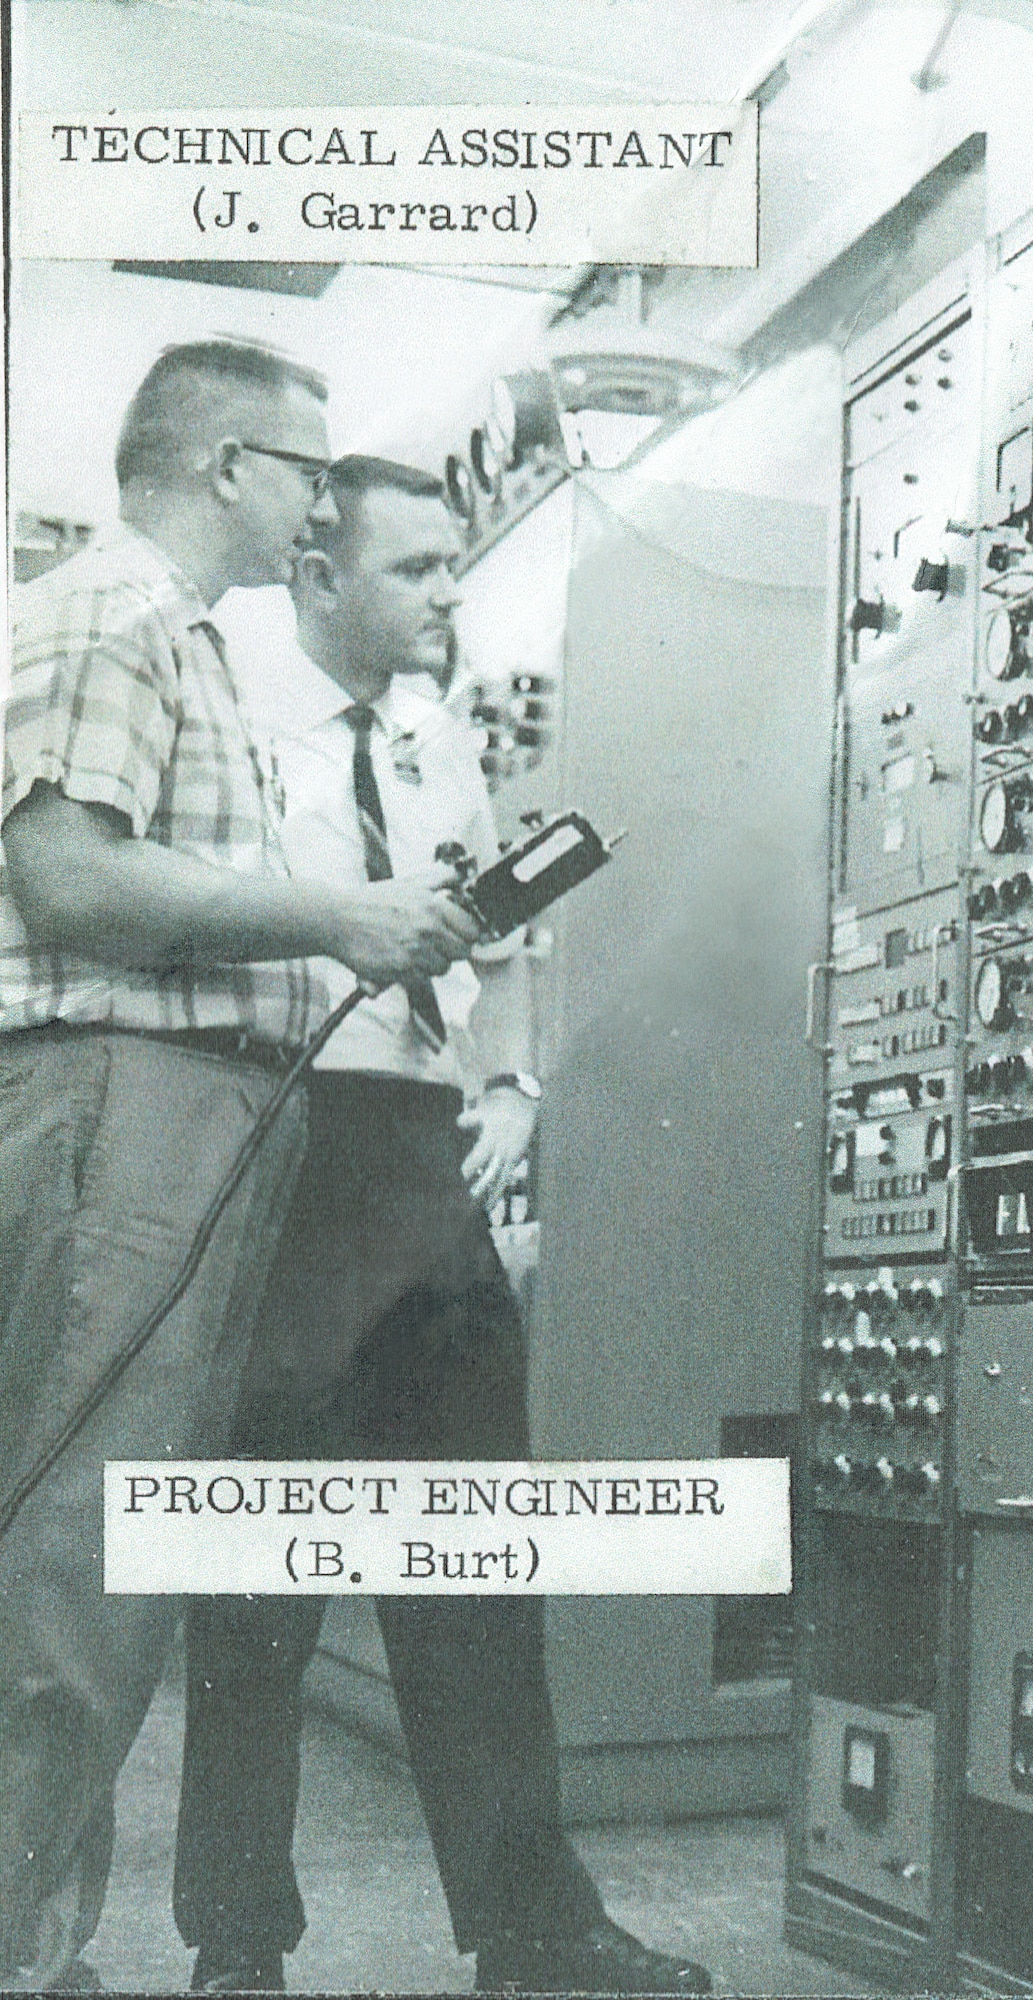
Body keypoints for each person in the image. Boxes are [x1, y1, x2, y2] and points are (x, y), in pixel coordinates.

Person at [170, 457, 712, 1998]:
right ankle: (237, 1944)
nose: (448, 595)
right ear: (321, 572)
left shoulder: (432, 737)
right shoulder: (223, 710)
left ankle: (532, 1926)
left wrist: (514, 1082)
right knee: (259, 1566)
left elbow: (506, 931)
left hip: (420, 1151)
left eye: (454, 566)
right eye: (418, 568)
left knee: (477, 1547)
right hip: (274, 1139)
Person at [0, 344, 483, 1990]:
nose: (316, 503)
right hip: (124, 1111)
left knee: (99, 1579)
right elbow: (68, 880)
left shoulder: (175, 638)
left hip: (191, 1124)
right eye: (306, 471)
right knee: (72, 1569)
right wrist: (339, 917)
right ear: (225, 467)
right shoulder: (115, 614)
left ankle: (42, 1945)